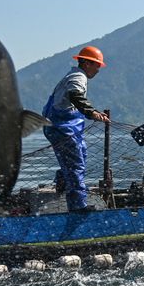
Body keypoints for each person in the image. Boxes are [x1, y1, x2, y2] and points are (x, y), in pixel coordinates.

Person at [42, 46, 110, 212]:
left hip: (61, 127)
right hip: (62, 128)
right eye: (97, 65)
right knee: (76, 164)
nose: (98, 70)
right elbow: (75, 95)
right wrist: (91, 112)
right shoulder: (78, 77)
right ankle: (78, 206)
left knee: (79, 155)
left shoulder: (73, 75)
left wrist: (91, 113)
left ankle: (63, 182)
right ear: (86, 63)